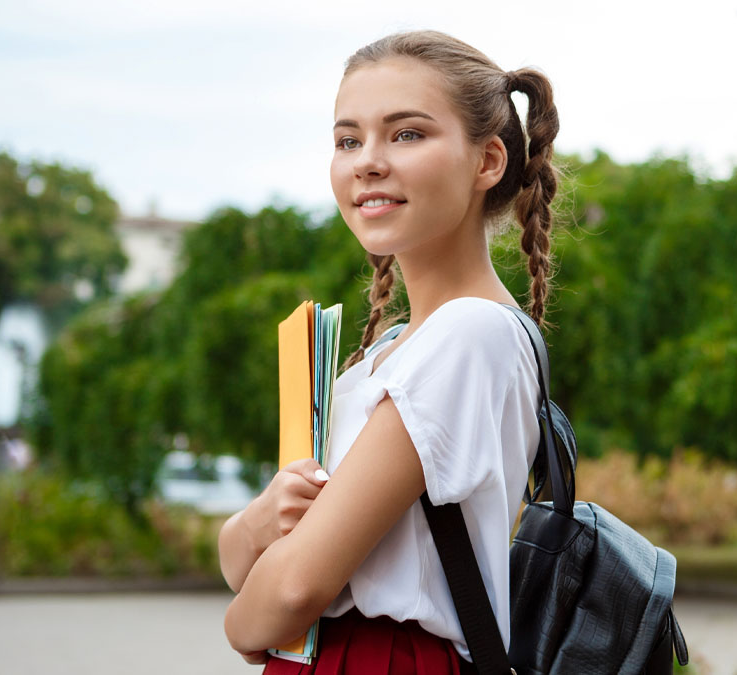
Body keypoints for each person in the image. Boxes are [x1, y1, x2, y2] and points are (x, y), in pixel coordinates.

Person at [219, 29, 560, 674]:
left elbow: (290, 589)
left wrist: (243, 626)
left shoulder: (468, 335)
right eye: (349, 140)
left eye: (406, 134)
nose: (366, 161)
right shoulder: (397, 348)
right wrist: (264, 519)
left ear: (487, 161)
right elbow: (241, 560)